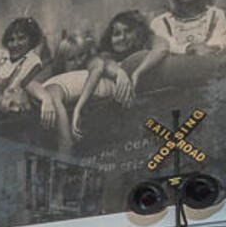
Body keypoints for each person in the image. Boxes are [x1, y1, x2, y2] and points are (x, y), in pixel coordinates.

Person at [67, 10, 166, 140]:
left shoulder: (146, 47)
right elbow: (104, 63)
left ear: (138, 33)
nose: (122, 37)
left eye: (128, 31)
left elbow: (162, 47)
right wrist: (120, 73)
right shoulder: (106, 55)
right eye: (116, 34)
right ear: (110, 38)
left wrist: (137, 72)